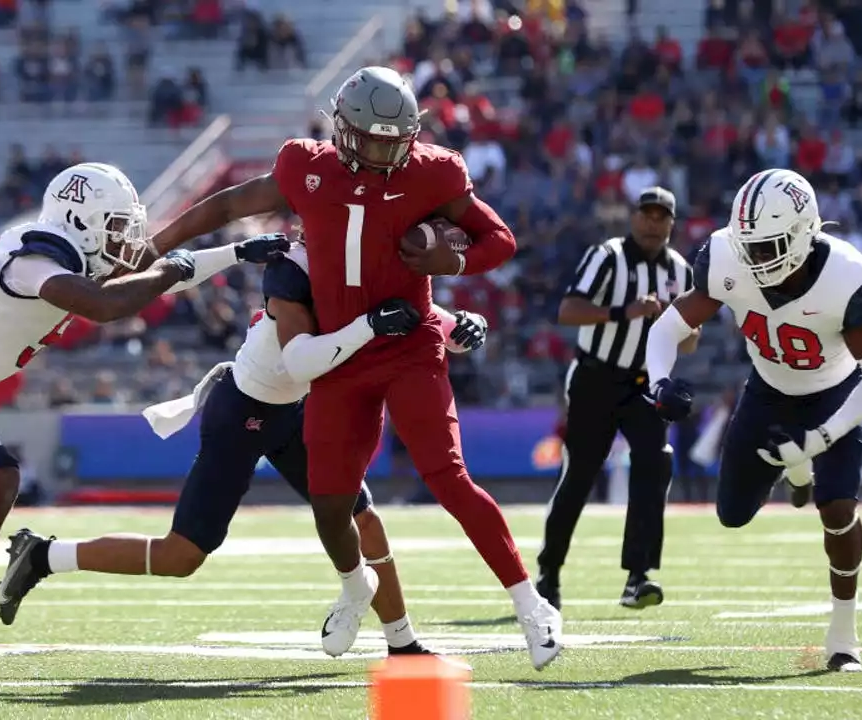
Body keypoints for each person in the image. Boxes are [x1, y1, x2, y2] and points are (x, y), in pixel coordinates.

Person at [144, 66, 561, 669]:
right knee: (330, 503)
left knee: (447, 478)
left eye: (397, 140)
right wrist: (159, 243)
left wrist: (454, 257)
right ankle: (353, 588)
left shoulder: (436, 171)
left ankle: (531, 605)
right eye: (371, 139)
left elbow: (499, 239)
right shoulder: (304, 167)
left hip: (410, 348)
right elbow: (234, 202)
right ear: (342, 129)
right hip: (340, 359)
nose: (384, 152)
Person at [0, 162, 290, 684]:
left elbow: (142, 277)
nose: (125, 239)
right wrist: (179, 264)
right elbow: (108, 305)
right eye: (117, 226)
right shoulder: (37, 256)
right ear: (81, 219)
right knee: (0, 480)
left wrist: (232, 253)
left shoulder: (66, 251)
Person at [0, 241, 490, 656]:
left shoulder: (355, 259)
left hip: (292, 411)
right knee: (180, 556)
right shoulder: (296, 271)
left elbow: (410, 311)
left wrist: (457, 327)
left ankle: (400, 642)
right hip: (244, 412)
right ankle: (45, 556)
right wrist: (373, 326)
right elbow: (311, 357)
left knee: (362, 516)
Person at [646, 168, 862, 673]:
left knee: (837, 506)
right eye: (749, 246)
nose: (756, 259)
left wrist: (824, 436)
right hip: (768, 392)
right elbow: (667, 329)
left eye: (769, 246)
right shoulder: (725, 258)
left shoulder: (846, 277)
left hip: (838, 393)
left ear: (805, 233)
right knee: (732, 514)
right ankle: (795, 472)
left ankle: (843, 635)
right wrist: (659, 384)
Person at [537, 187, 695, 611]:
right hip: (595, 377)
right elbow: (567, 310)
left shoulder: (680, 270)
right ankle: (548, 573)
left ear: (671, 224)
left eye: (661, 216)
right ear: (633, 217)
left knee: (656, 460)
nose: (652, 223)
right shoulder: (607, 256)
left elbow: (692, 341)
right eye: (646, 214)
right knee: (580, 476)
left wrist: (674, 325)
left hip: (644, 382)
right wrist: (625, 312)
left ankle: (638, 575)